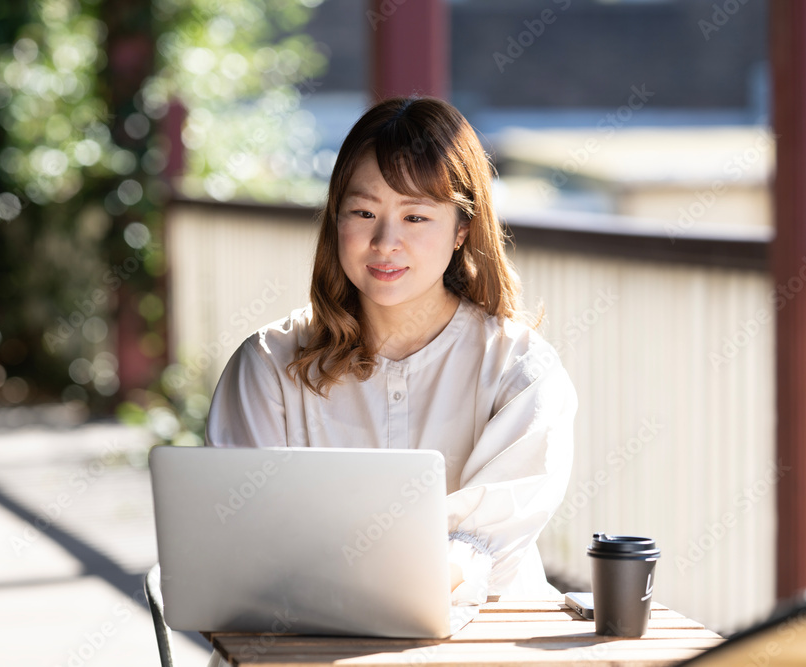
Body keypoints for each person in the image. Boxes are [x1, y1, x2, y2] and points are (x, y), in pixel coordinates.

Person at [204, 96, 576, 608]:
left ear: (461, 229)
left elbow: (479, 548)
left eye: (416, 217)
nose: (385, 241)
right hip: (306, 643)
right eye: (363, 211)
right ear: (336, 218)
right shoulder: (268, 365)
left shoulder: (520, 371)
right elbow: (245, 539)